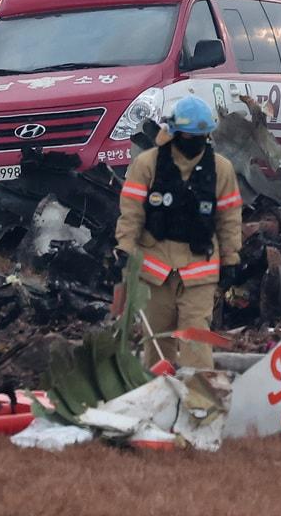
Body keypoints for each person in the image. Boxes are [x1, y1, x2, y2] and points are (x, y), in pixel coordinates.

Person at [115, 95, 243, 370]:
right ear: (174, 133)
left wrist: (231, 259)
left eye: (200, 135)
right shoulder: (148, 165)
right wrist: (124, 249)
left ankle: (200, 402)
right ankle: (159, 399)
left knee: (196, 338)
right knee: (157, 343)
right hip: (155, 268)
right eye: (188, 135)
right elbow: (132, 211)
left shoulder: (220, 169)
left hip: (199, 268)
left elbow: (229, 219)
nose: (194, 141)